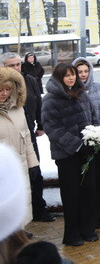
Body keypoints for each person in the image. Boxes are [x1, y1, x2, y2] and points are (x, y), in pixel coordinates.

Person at [41, 63, 100, 246]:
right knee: (72, 195)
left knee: (88, 191)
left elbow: (93, 117)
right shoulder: (51, 99)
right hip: (66, 155)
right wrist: (77, 145)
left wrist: (96, 138)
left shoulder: (82, 94)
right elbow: (53, 129)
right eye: (66, 75)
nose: (71, 78)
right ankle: (72, 234)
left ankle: (87, 229)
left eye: (72, 74)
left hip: (86, 152)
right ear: (59, 78)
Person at [0, 54, 53, 223]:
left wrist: (41, 124)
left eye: (18, 64)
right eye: (11, 65)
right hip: (7, 144)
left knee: (33, 176)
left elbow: (38, 101)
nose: (16, 68)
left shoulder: (29, 81)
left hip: (25, 134)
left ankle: (36, 210)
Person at [0, 69, 39, 233]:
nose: (4, 93)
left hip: (19, 166)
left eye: (8, 89)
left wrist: (33, 164)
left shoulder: (18, 109)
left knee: (18, 205)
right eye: (0, 89)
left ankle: (18, 231)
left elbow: (27, 136)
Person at [72, 58, 100, 229]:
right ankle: (88, 217)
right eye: (80, 72)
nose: (83, 74)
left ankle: (98, 216)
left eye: (86, 71)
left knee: (99, 180)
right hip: (82, 145)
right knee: (87, 181)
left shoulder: (99, 88)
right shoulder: (72, 91)